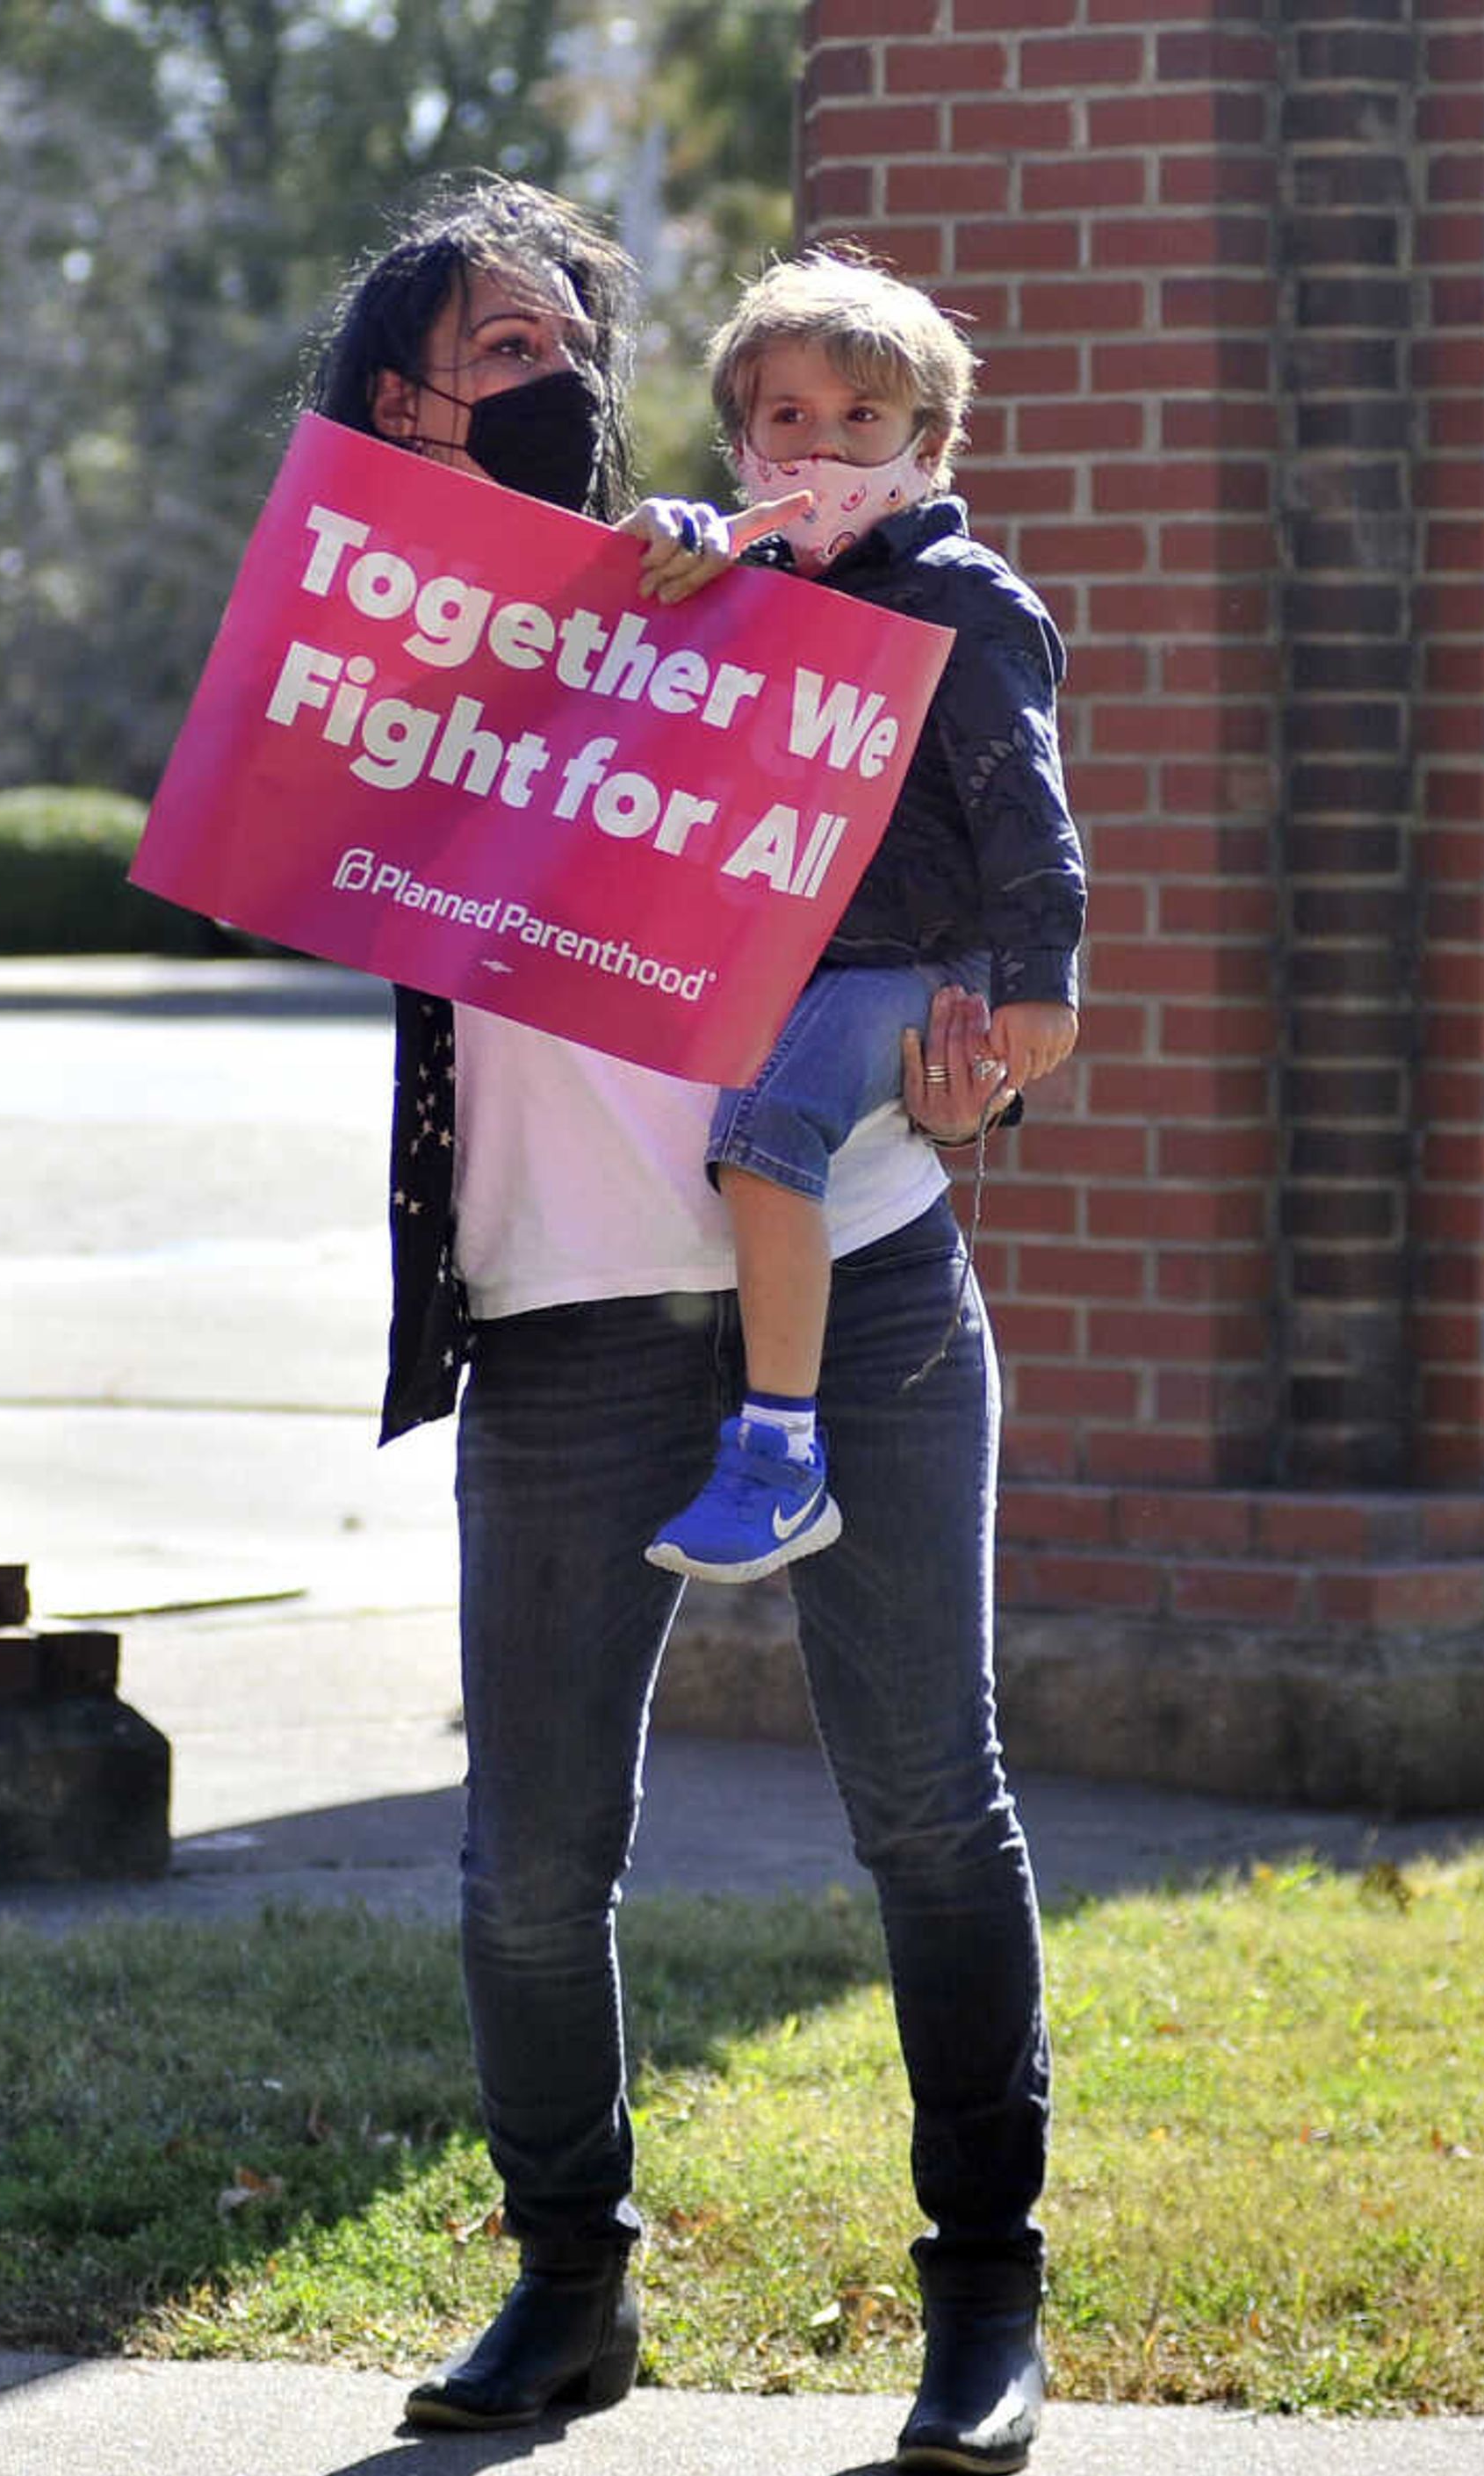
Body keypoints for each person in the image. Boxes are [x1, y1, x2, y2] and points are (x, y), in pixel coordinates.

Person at [307, 176, 1055, 2476]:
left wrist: (976, 1034)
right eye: (480, 354)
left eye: (560, 345)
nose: (531, 384)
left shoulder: (745, 582)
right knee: (529, 1855)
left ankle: (982, 2300)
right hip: (551, 1322)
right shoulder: (371, 648)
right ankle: (567, 2280)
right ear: (390, 399)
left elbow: (950, 853)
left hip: (859, 1279)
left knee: (930, 1806)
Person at [641, 249, 1085, 1587]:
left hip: (921, 959)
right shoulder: (756, 588)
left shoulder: (963, 600)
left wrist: (1040, 972)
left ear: (929, 446)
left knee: (766, 1136)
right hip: (816, 956)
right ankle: (775, 1438)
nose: (822, 447)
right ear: (740, 439)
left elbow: (1023, 795)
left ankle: (779, 1454)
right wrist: (676, 540)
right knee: (763, 1132)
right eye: (787, 418)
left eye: (861, 420)